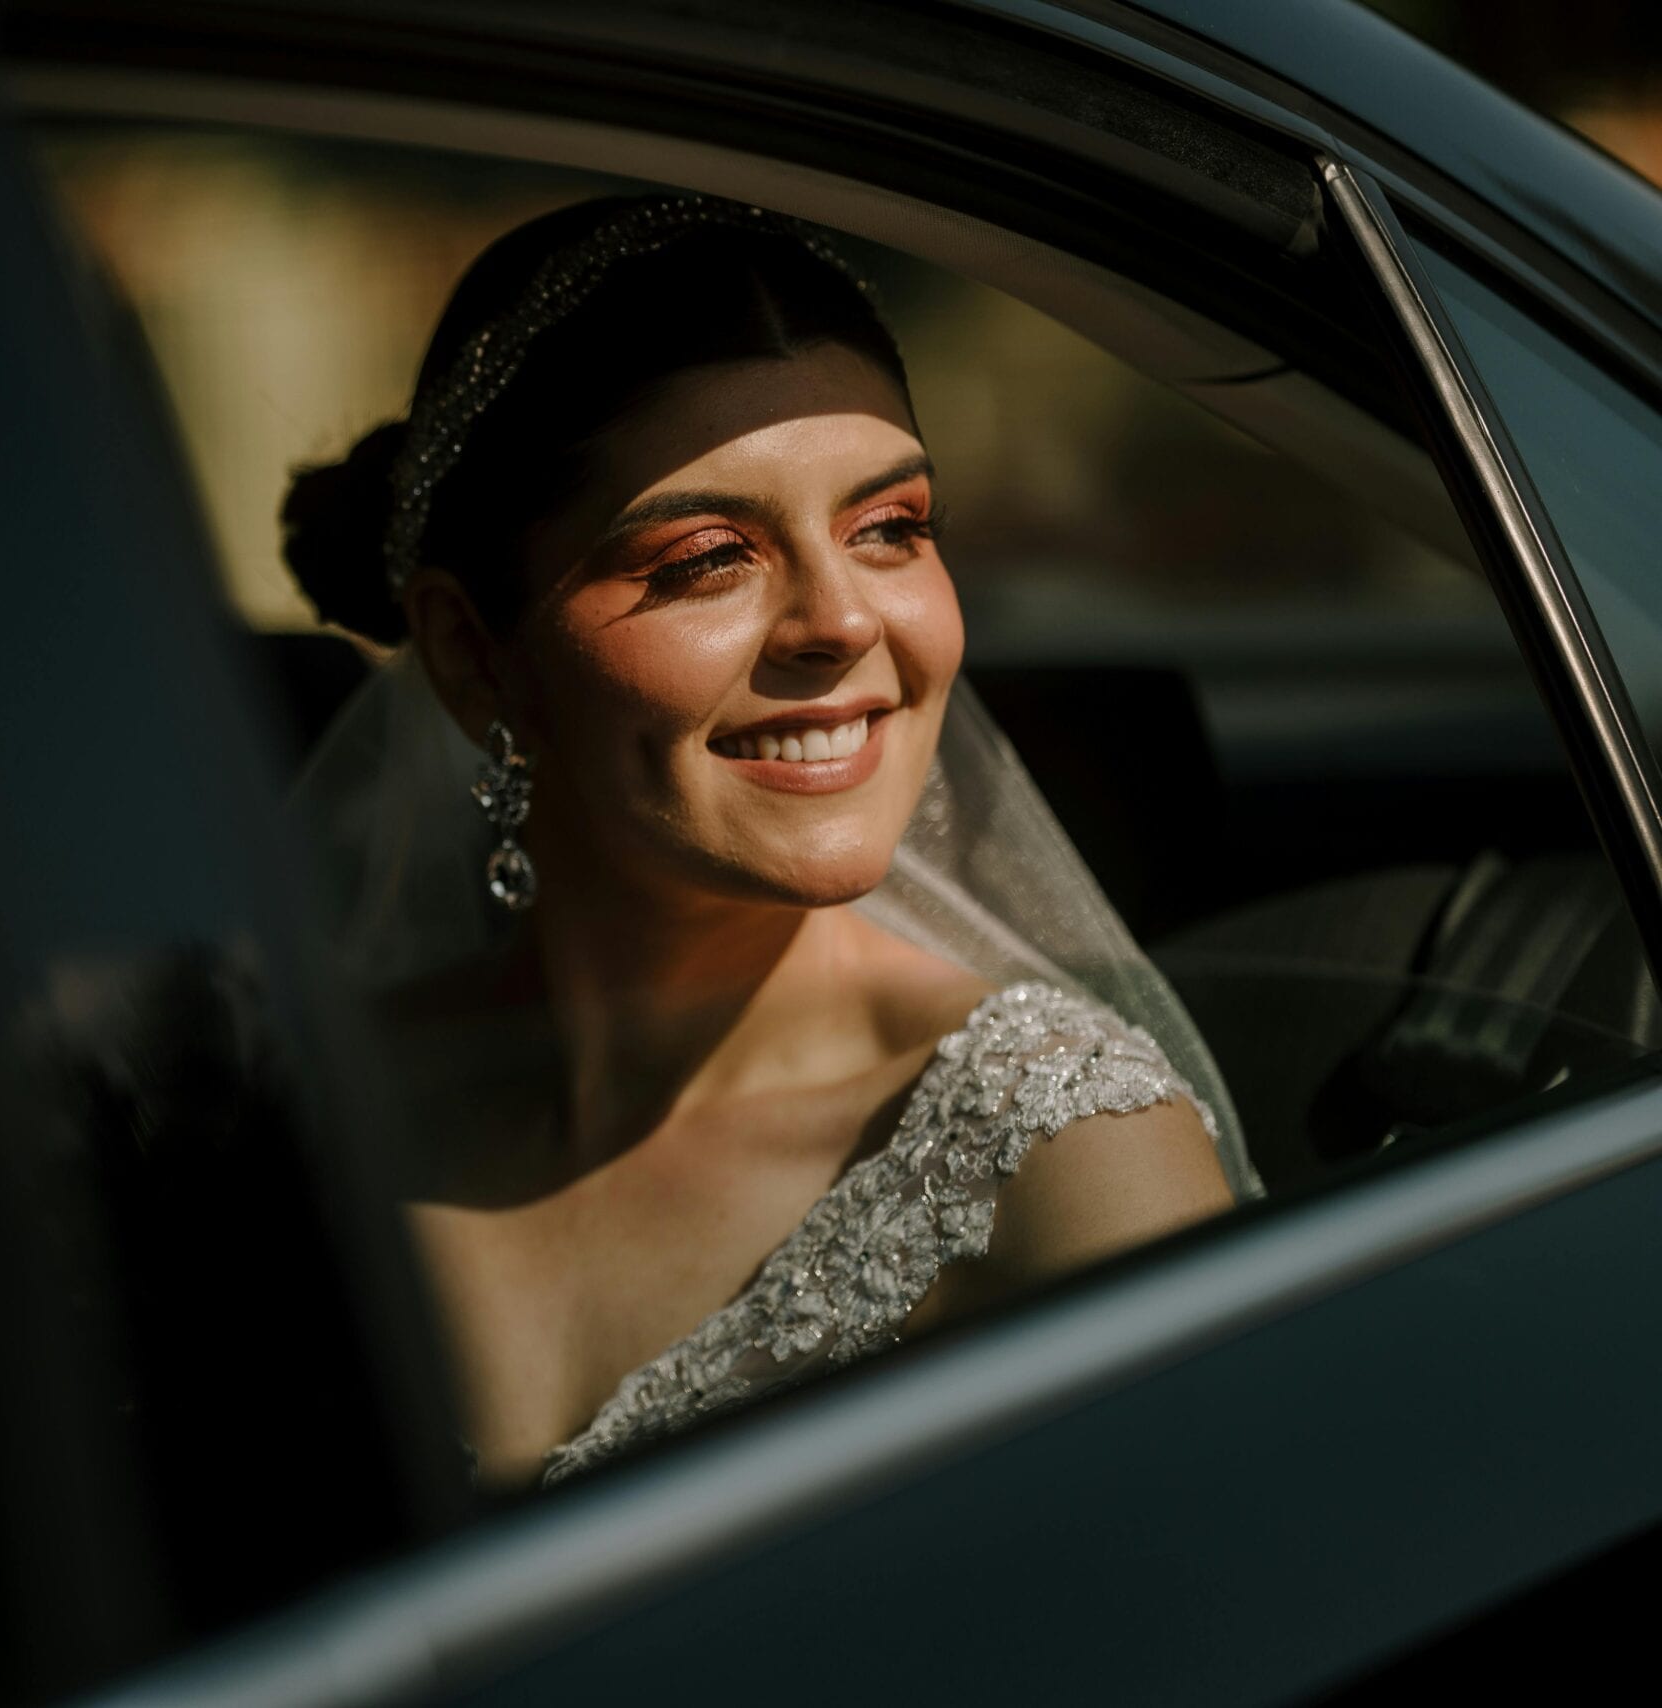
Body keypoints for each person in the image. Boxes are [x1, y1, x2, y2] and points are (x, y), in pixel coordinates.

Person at [279, 193, 1260, 1489]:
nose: (842, 622)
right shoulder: (305, 1115)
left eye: (891, 529)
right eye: (707, 559)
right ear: (474, 655)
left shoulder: (1064, 1152)